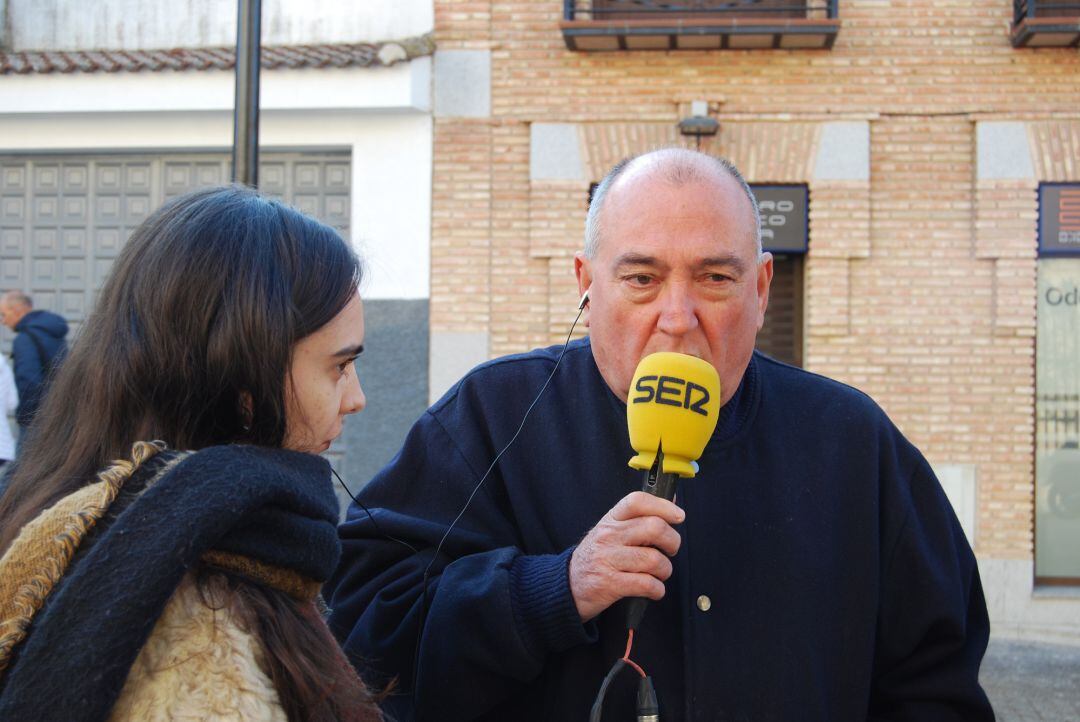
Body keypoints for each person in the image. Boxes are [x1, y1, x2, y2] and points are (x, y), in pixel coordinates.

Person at [325, 148, 994, 721]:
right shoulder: (491, 418)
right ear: (587, 287)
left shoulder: (852, 443)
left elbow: (937, 679)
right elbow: (363, 632)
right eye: (642, 279)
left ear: (761, 288)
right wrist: (551, 591)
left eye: (715, 278)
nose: (678, 318)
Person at [0, 186, 382, 722]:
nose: (356, 399)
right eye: (339, 367)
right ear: (243, 377)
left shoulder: (62, 516)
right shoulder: (198, 622)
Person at [0, 290, 69, 432]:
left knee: (27, 454)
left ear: (17, 311)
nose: (4, 321)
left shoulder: (25, 339)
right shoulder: (50, 332)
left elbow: (29, 380)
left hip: (36, 420)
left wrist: (25, 419)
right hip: (59, 412)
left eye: (4, 314)